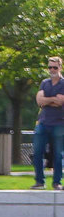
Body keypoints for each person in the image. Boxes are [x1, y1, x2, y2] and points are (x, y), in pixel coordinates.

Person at [32, 55, 64, 189]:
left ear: (60, 67)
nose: (52, 69)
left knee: (58, 154)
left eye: (54, 67)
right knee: (37, 152)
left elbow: (61, 101)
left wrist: (47, 100)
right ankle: (40, 181)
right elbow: (39, 101)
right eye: (50, 67)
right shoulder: (44, 83)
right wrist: (52, 100)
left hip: (59, 124)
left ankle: (57, 182)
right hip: (43, 122)